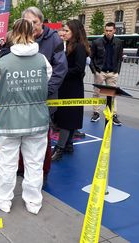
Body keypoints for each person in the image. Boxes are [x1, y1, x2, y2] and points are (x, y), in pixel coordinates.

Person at [0, 18, 52, 214]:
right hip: (36, 120)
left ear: (13, 33)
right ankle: (33, 202)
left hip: (8, 122)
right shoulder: (42, 60)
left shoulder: (3, 62)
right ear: (33, 33)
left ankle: (3, 200)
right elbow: (47, 79)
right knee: (34, 163)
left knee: (7, 163)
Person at [17, 6, 68, 183]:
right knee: (22, 133)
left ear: (42, 22)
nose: (32, 26)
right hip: (23, 99)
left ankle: (43, 172)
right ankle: (22, 167)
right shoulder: (21, 37)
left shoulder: (54, 39)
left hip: (44, 98)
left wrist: (45, 91)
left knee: (42, 138)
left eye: (35, 22)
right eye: (28, 23)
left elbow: (60, 69)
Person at [52, 20, 90, 161]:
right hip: (67, 86)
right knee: (68, 118)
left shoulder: (79, 47)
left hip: (72, 88)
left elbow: (79, 69)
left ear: (74, 32)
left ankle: (60, 148)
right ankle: (68, 145)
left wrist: (61, 72)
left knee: (67, 120)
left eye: (67, 30)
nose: (64, 33)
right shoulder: (69, 45)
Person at [89, 22, 124, 125]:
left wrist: (117, 71)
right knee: (96, 93)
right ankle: (96, 113)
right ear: (104, 30)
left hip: (112, 73)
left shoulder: (118, 42)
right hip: (100, 72)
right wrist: (95, 72)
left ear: (114, 31)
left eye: (110, 31)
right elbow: (91, 58)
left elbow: (119, 58)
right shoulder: (96, 42)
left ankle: (113, 114)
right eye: (106, 30)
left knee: (112, 95)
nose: (108, 33)